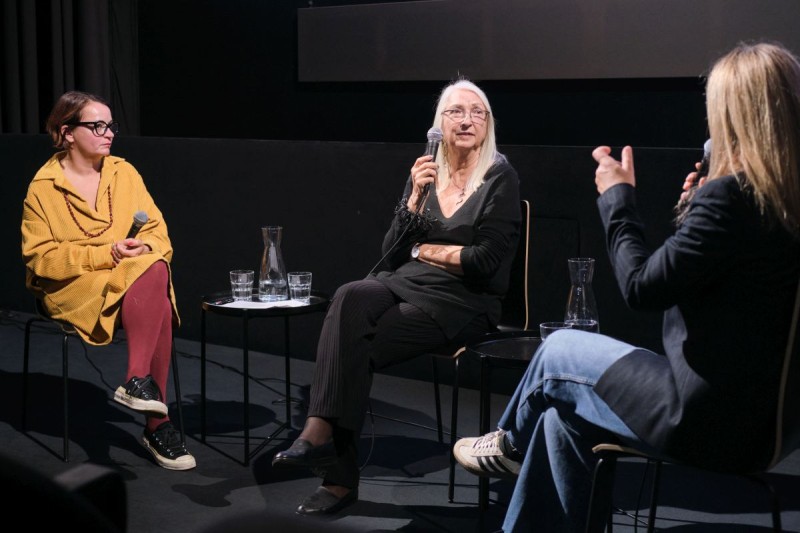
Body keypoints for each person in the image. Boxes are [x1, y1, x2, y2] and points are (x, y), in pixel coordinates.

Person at [453, 40, 800, 532]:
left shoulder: (732, 197)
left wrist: (618, 198)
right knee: (560, 424)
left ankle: (507, 444)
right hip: (768, 427)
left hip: (702, 419)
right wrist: (692, 213)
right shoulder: (779, 202)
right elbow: (714, 282)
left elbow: (642, 287)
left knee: (559, 349)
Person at [271, 79, 521, 514]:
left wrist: (423, 250)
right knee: (351, 295)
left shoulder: (499, 176)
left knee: (354, 346)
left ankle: (334, 471)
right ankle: (319, 434)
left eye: (477, 112)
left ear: (488, 124)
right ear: (439, 124)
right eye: (456, 112)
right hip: (407, 282)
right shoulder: (426, 169)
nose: (466, 120)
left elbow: (484, 261)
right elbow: (390, 251)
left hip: (464, 301)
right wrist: (415, 198)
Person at [21, 90, 195, 471]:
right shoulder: (43, 187)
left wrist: (138, 246)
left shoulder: (124, 172)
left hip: (128, 276)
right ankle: (156, 424)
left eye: (110, 124)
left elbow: (158, 233)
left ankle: (137, 381)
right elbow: (41, 258)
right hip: (72, 285)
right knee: (157, 292)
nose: (109, 132)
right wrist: (107, 253)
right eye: (96, 125)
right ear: (67, 132)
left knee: (153, 265)